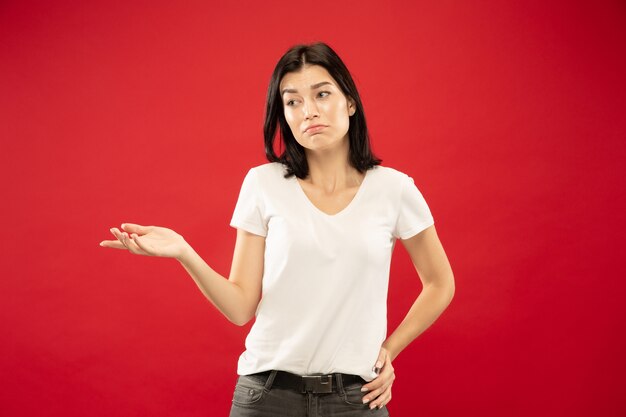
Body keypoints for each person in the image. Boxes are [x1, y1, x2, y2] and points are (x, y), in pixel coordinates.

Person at [100, 42, 455, 416]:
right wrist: (184, 251)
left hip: (356, 399)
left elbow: (440, 282)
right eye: (293, 102)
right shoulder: (263, 184)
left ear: (350, 102)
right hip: (266, 397)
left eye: (322, 94)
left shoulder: (394, 189)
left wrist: (389, 350)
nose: (309, 111)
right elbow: (241, 307)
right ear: (282, 115)